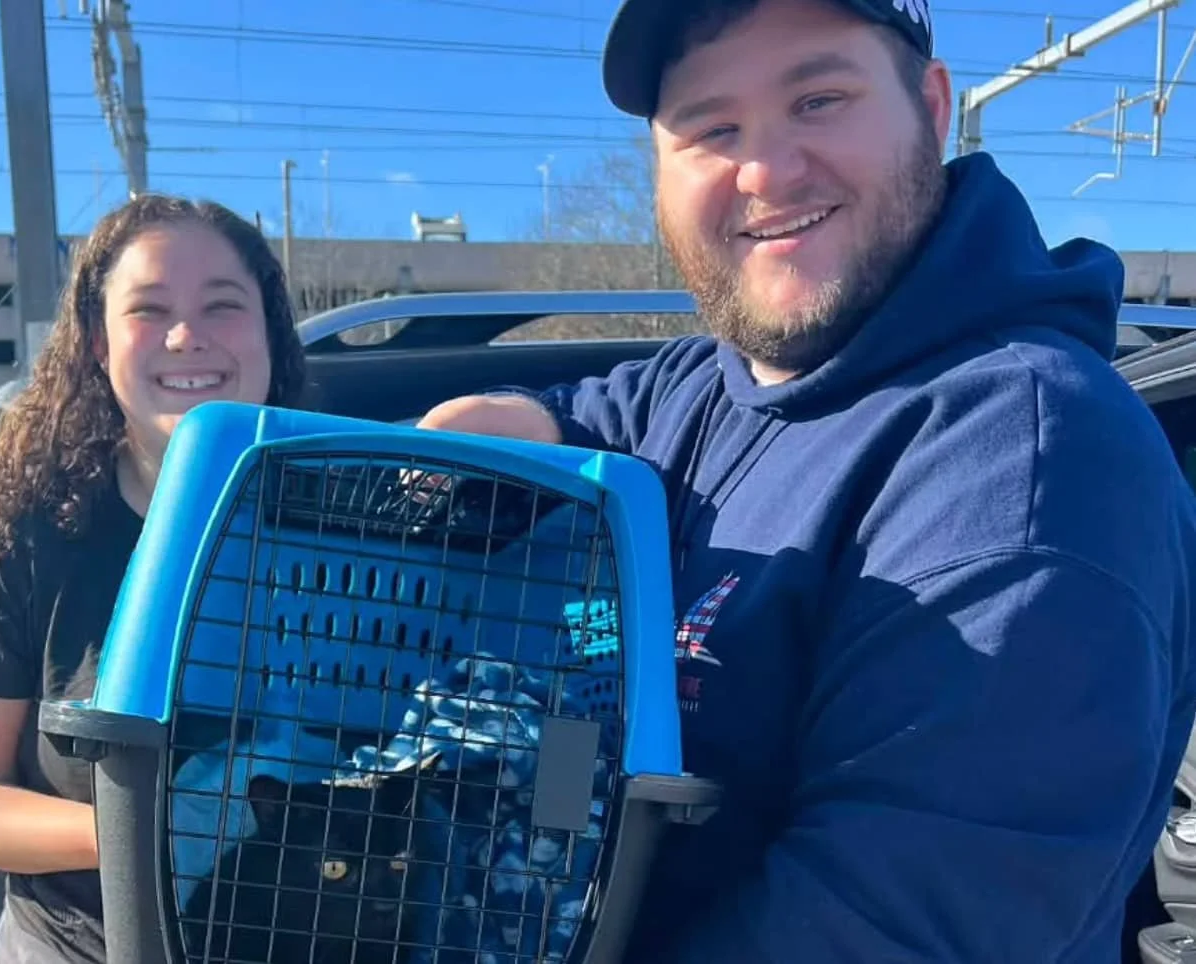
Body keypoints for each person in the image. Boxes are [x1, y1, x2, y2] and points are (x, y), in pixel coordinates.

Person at [417, 0, 1196, 961]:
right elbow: (608, 409)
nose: (767, 171)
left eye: (819, 99)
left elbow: (891, 928)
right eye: (712, 128)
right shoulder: (723, 377)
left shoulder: (1027, 465)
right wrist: (507, 418)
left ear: (931, 105)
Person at [0, 194, 306, 963]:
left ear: (268, 334)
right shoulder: (24, 540)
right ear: (96, 342)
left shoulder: (356, 519)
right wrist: (134, 832)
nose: (187, 337)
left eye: (223, 305)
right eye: (148, 310)